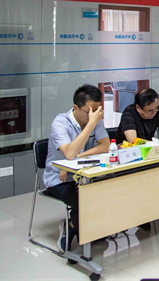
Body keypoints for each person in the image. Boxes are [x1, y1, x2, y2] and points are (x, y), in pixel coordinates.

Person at [44, 84, 110, 252]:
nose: (93, 115)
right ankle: (71, 227)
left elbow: (105, 146)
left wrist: (76, 159)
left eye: (97, 111)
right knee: (84, 199)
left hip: (85, 175)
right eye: (89, 112)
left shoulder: (93, 119)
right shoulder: (60, 123)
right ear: (76, 107)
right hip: (59, 179)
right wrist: (91, 124)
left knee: (106, 193)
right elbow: (69, 152)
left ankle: (76, 225)